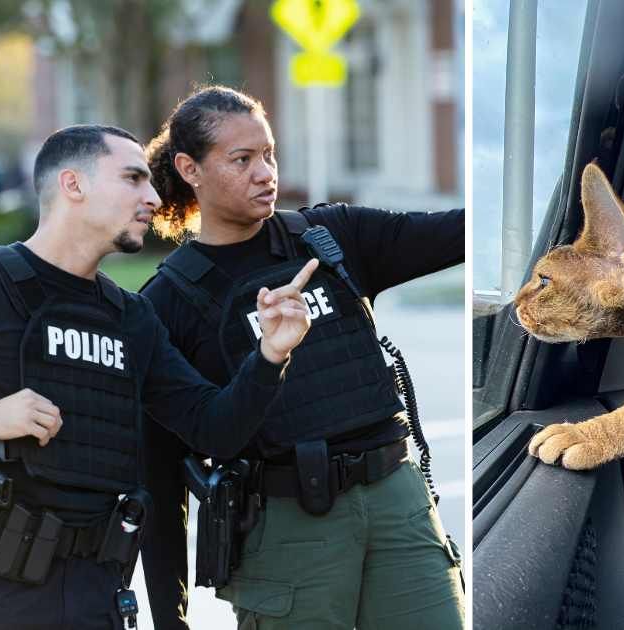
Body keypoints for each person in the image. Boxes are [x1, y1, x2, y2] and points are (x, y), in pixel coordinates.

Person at [0, 124, 318, 630]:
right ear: (72, 185)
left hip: (98, 593)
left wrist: (270, 356)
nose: (152, 197)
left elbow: (214, 428)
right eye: (132, 179)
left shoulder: (131, 318)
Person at [139, 85, 465, 629]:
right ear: (189, 169)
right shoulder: (166, 303)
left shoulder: (331, 236)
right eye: (241, 160)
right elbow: (160, 478)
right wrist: (171, 620)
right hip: (287, 530)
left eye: (268, 154)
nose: (265, 173)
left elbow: (457, 231)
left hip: (398, 503)